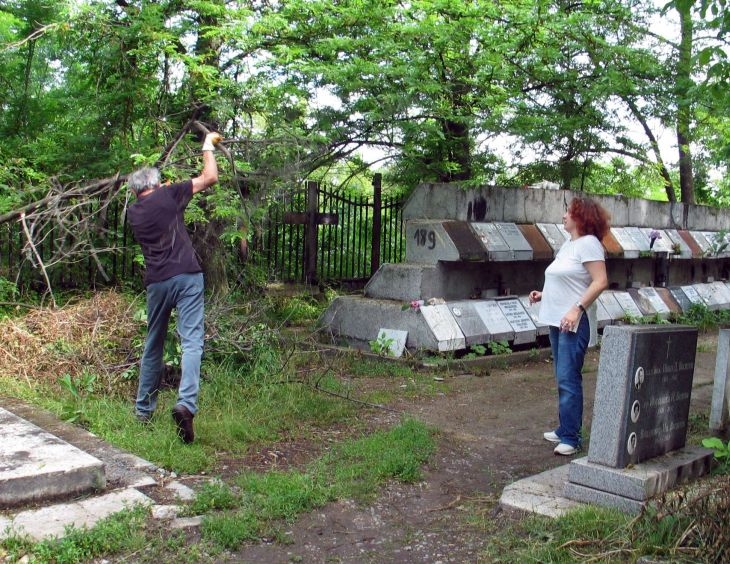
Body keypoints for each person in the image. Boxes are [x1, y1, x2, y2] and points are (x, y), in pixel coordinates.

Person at [126, 131, 222, 443]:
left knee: (153, 345)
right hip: (186, 276)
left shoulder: (134, 212)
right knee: (191, 341)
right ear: (155, 184)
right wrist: (207, 144)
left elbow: (155, 203)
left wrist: (164, 189)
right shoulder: (169, 196)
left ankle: (143, 412)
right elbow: (210, 177)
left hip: (157, 283)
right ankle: (185, 404)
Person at [528, 197, 610, 456]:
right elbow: (568, 278)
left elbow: (600, 281)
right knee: (561, 376)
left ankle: (572, 438)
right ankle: (565, 429)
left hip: (574, 322)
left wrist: (577, 309)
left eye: (568, 212)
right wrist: (543, 294)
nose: (563, 216)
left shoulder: (589, 244)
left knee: (568, 377)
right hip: (557, 319)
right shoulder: (569, 245)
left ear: (580, 217)